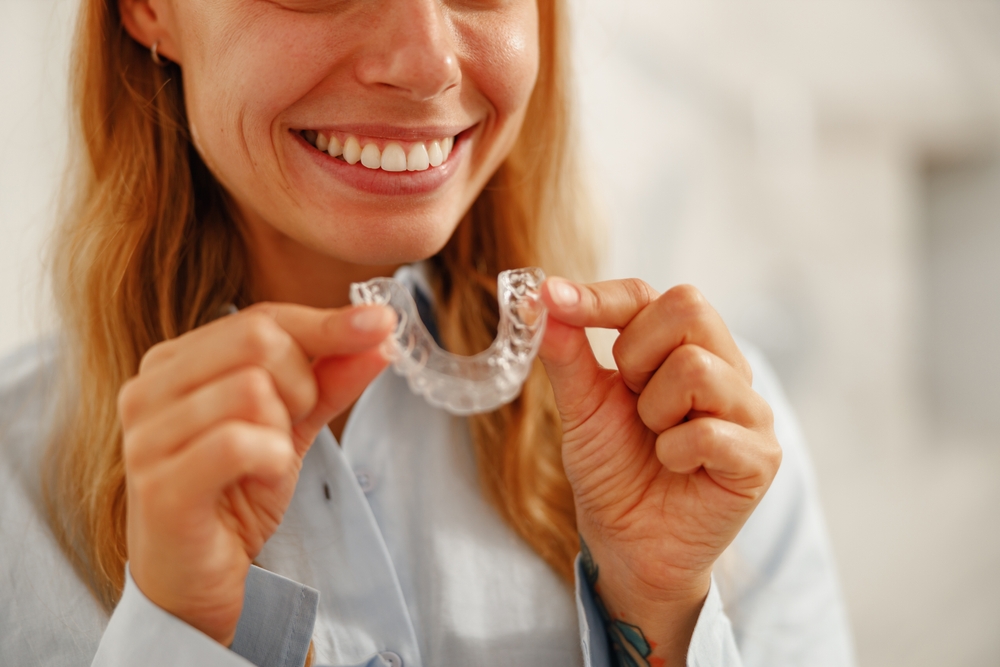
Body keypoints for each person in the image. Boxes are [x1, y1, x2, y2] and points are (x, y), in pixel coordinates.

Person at [0, 0, 854, 665]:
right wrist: (179, 634)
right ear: (149, 8)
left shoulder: (707, 447)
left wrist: (658, 612)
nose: (425, 61)